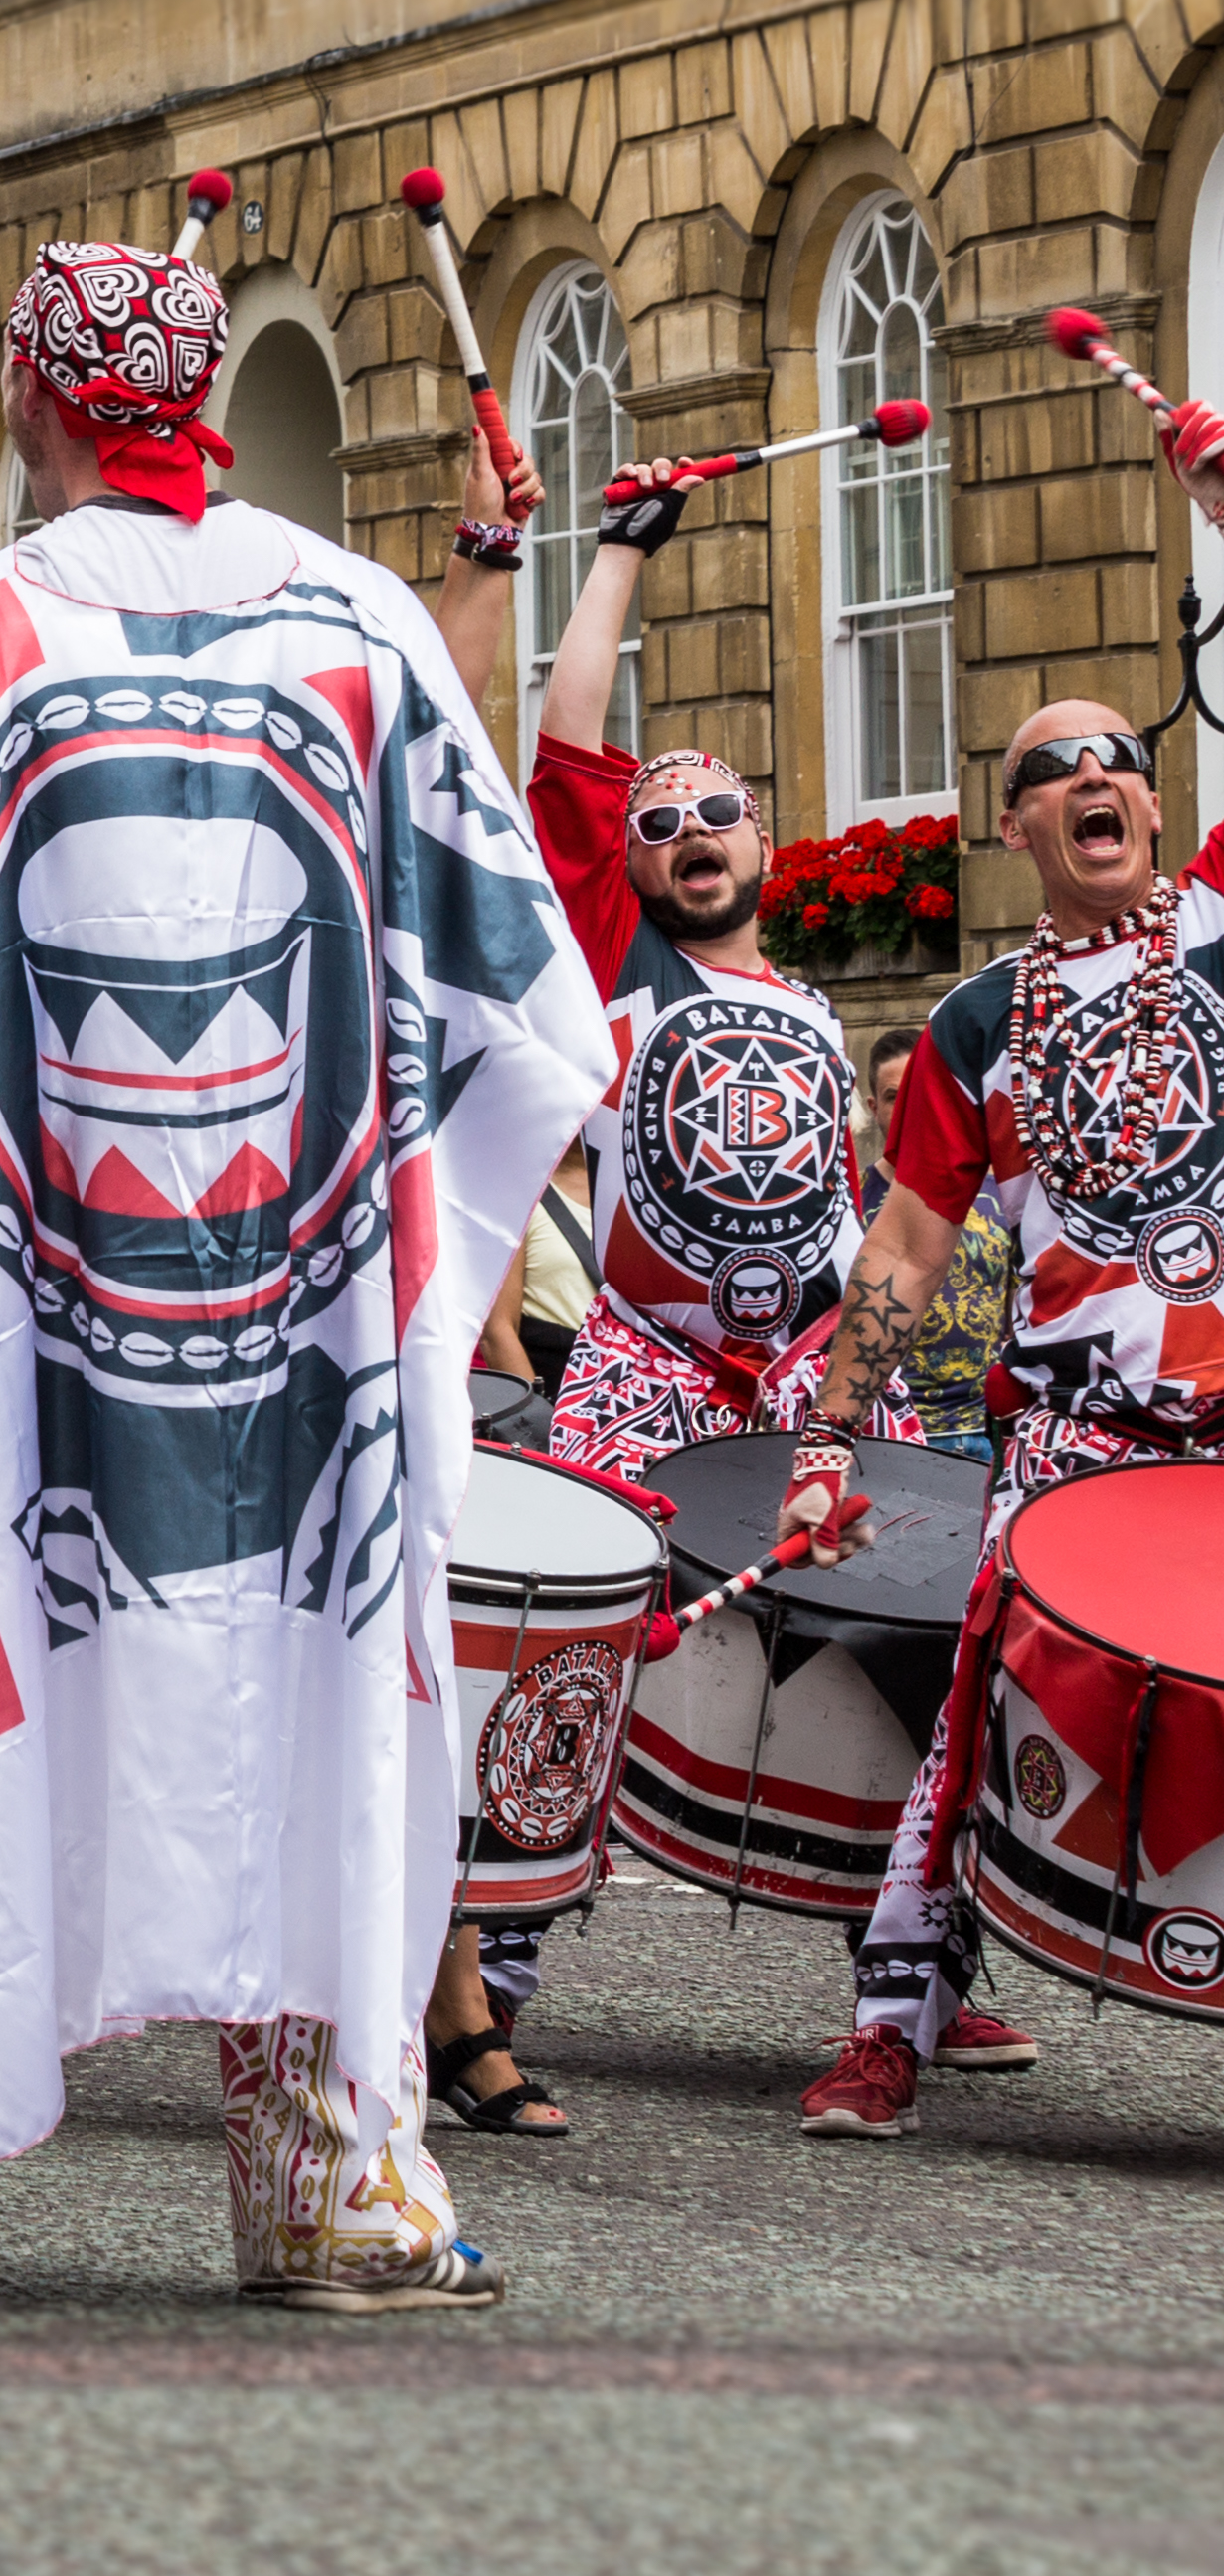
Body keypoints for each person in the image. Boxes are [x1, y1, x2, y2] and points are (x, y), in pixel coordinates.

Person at [0, 238, 599, 2309]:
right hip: (307, 1343)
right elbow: (520, 1004)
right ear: (193, 393)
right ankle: (336, 2192)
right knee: (309, 1713)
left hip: (8, 1325)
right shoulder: (362, 625)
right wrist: (412, 1267)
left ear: (29, 393)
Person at [407, 449, 933, 2136]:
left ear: (764, 843)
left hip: (807, 1377)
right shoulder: (604, 966)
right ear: (623, 867)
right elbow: (567, 750)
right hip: (644, 1367)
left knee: (903, 1638)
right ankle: (487, 1989)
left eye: (714, 813)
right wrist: (616, 550)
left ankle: (909, 1974)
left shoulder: (811, 1004)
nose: (685, 834)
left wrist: (858, 1384)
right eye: (657, 824)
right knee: (579, 1648)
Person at [767, 701, 1218, 2139]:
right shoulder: (975, 1022)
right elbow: (903, 1245)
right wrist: (829, 1436)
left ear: (1152, 806)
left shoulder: (1214, 925)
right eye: (1045, 768)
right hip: (1074, 1432)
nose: (1088, 774)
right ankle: (886, 2029)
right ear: (1011, 825)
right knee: (972, 1707)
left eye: (1115, 760)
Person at [859, 1026, 1011, 1460]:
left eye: (922, 1092)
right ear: (874, 1108)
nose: (911, 1107)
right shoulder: (849, 1202)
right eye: (894, 1096)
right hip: (890, 1434)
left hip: (988, 1431)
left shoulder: (999, 1194)